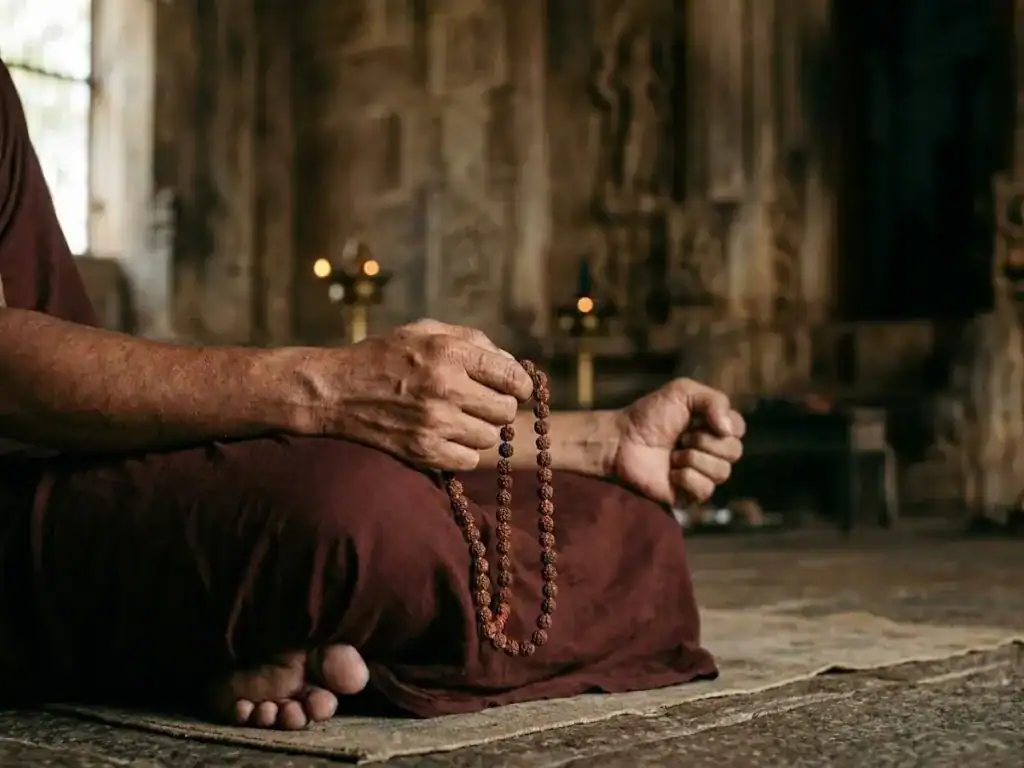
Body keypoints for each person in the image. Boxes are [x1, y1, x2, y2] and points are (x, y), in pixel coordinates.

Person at [0, 59, 744, 730]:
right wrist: (333, 389)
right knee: (352, 515)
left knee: (627, 524)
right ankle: (271, 628)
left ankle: (273, 627)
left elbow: (78, 401)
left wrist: (594, 442)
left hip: (75, 458)